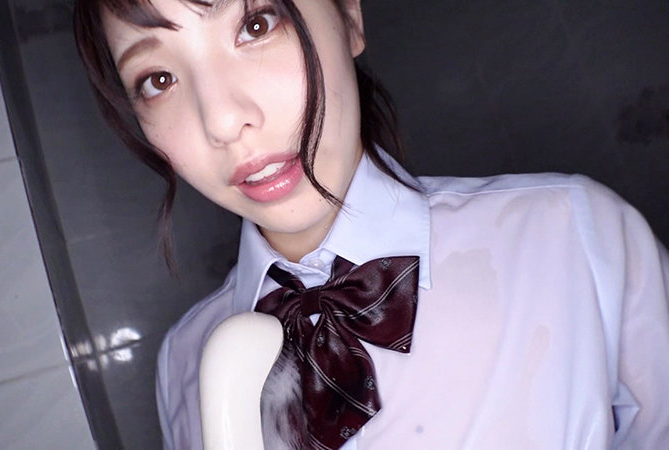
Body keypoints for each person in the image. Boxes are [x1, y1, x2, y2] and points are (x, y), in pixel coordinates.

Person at [73, 0, 669, 448]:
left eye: (256, 24)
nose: (224, 120)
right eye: (158, 80)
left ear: (349, 16)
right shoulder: (184, 365)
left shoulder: (575, 236)